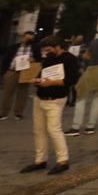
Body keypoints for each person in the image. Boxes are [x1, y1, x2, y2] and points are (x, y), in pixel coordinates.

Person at [19, 36, 79, 175]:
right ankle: (40, 160)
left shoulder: (69, 58)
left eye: (48, 50)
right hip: (40, 97)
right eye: (45, 51)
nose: (46, 53)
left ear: (57, 46)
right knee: (39, 130)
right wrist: (37, 80)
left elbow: (72, 79)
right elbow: (42, 73)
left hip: (56, 99)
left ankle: (63, 160)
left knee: (54, 129)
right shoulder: (49, 59)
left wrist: (51, 83)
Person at [66, 25, 98, 136]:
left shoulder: (95, 42)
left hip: (92, 69)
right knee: (97, 100)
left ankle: (76, 127)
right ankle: (90, 126)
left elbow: (86, 56)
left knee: (81, 97)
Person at [0, 31, 40, 121]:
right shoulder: (14, 47)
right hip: (12, 71)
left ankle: (18, 113)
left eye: (31, 38)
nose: (29, 40)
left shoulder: (35, 48)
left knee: (22, 93)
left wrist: (33, 59)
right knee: (7, 93)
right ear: (23, 37)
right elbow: (6, 59)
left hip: (26, 72)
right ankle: (3, 113)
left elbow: (39, 59)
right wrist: (5, 72)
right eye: (27, 38)